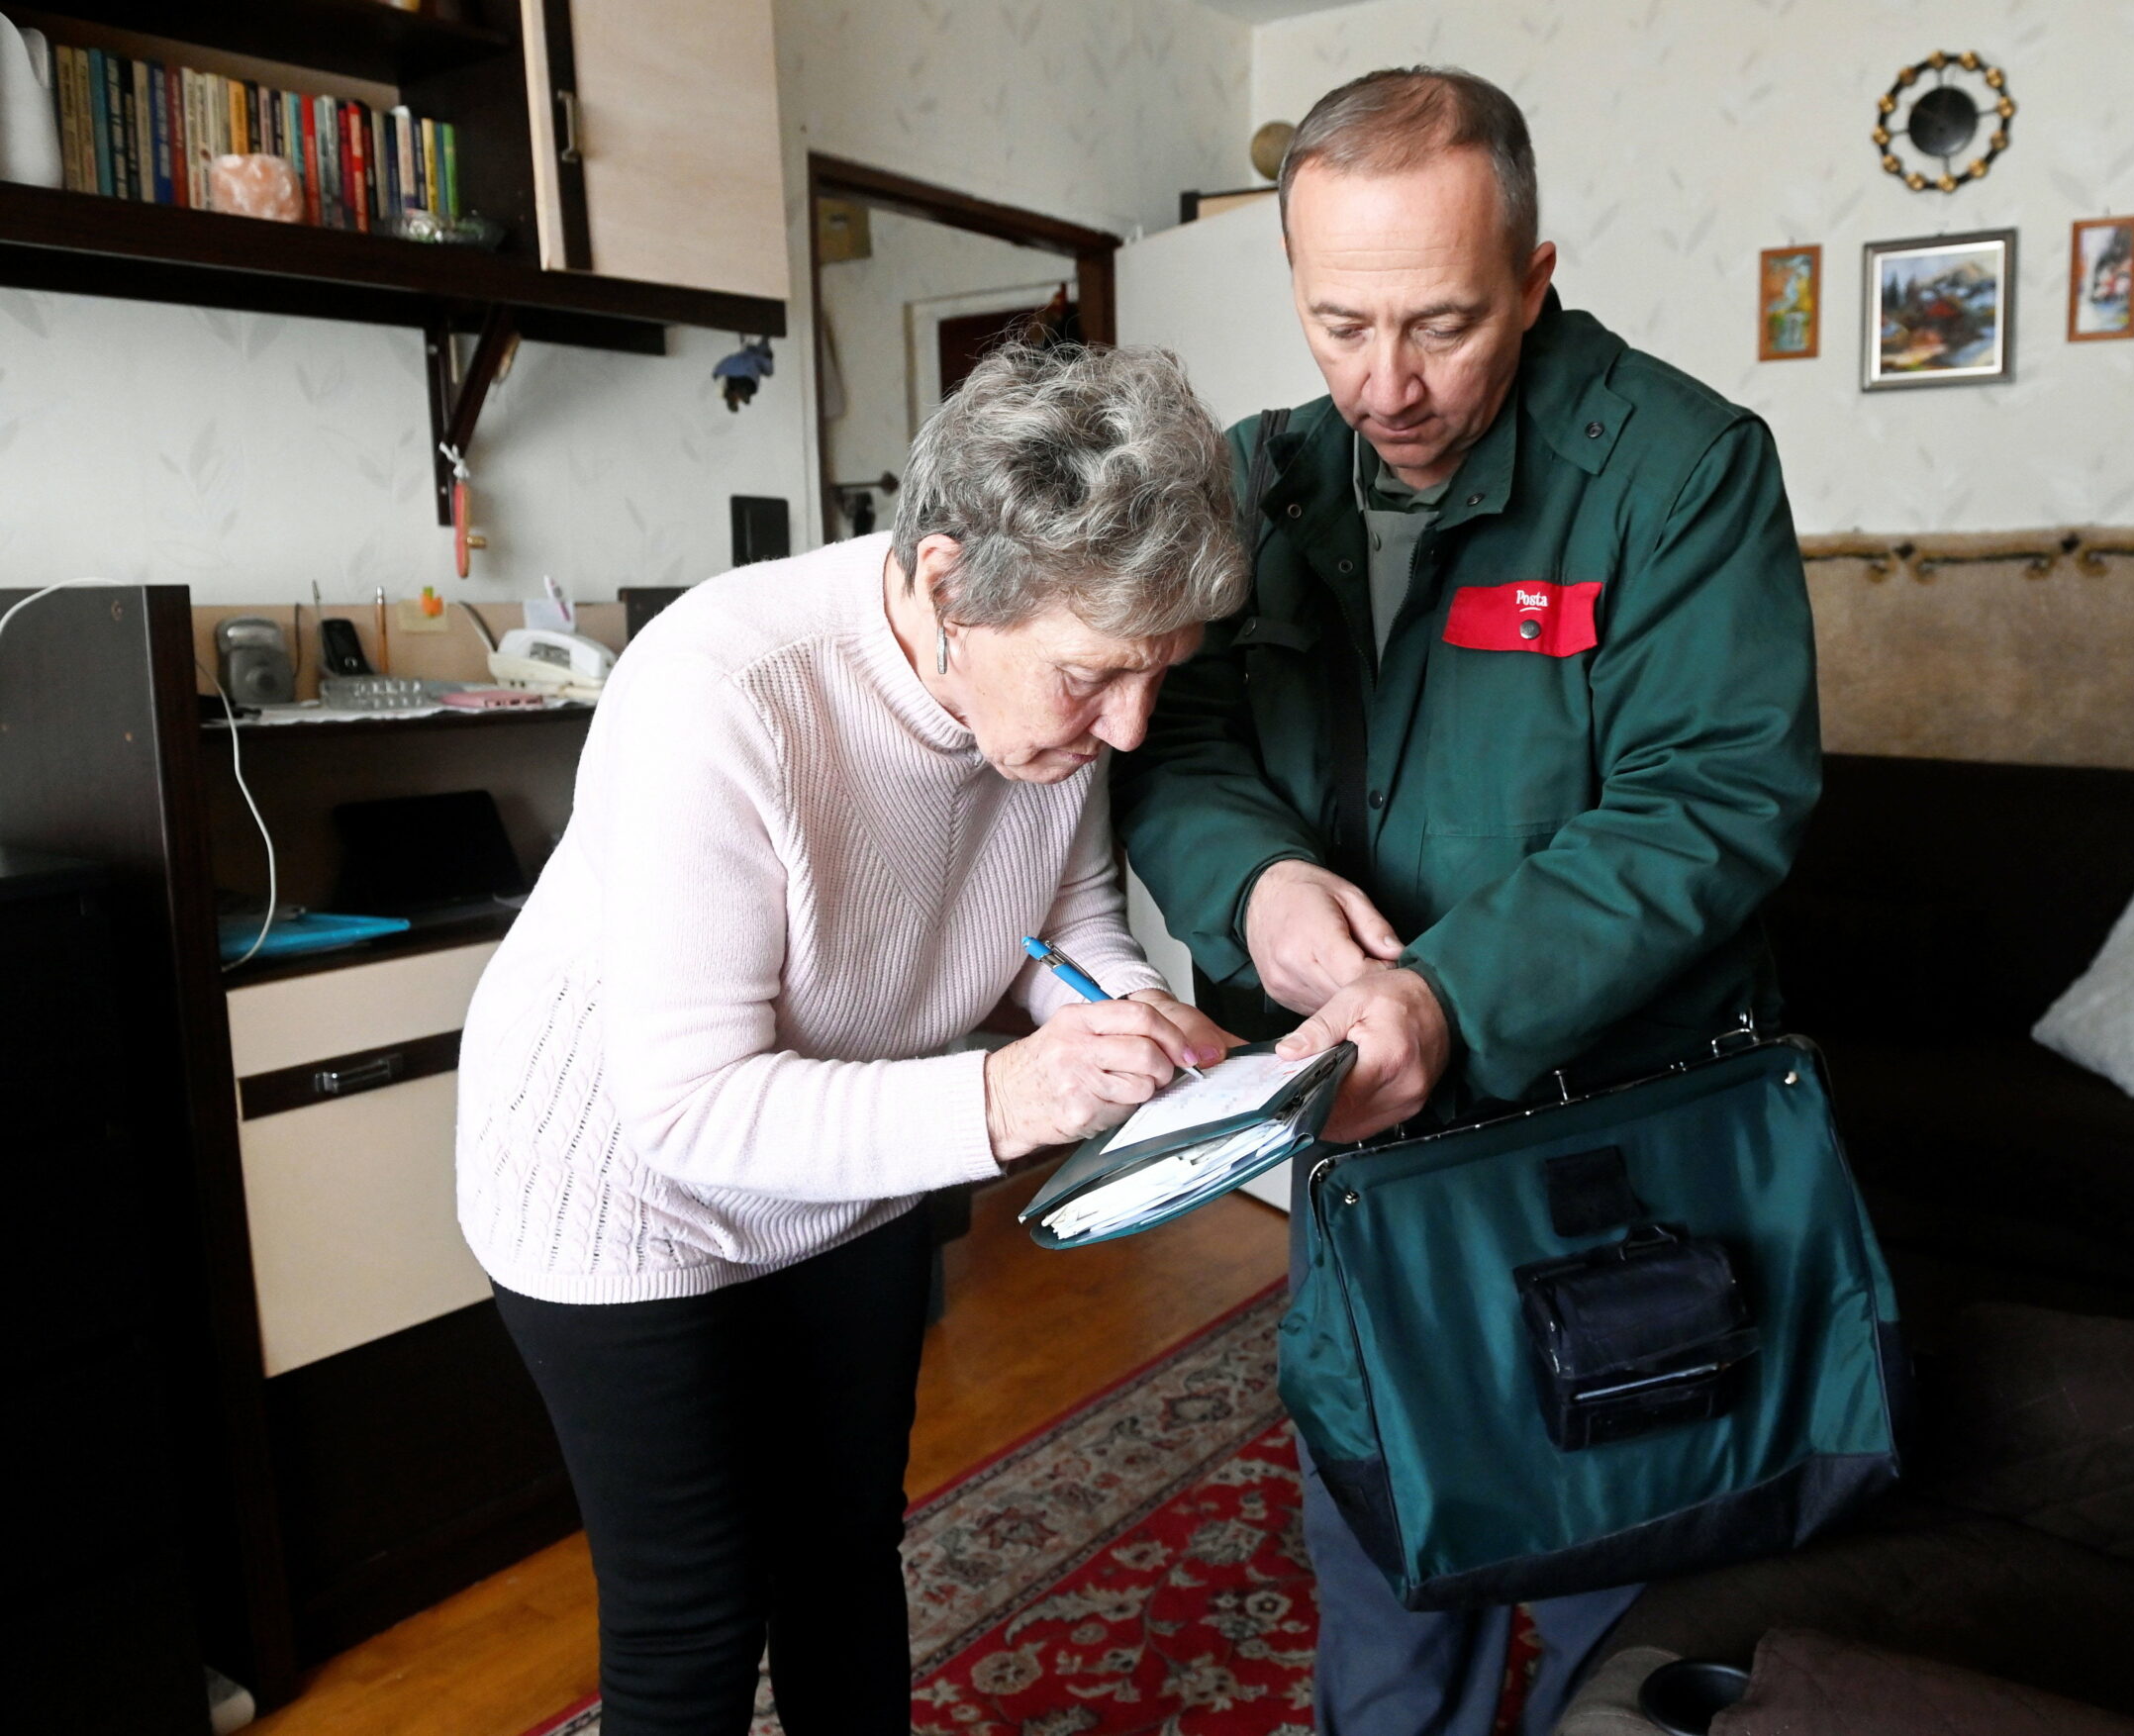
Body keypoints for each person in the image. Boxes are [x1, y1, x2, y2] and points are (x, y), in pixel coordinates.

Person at [1110, 67, 1821, 1736]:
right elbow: (1179, 741)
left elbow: (1717, 796)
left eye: (1442, 324)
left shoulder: (1681, 470)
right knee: (1385, 1550)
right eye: (1339, 323)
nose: (1387, 383)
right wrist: (1259, 882)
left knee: (1607, 1590)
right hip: (1364, 1150)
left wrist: (1450, 997)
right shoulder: (1250, 482)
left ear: (1536, 277)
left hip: (1614, 1141)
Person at [454, 343, 1245, 1736]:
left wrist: (1123, 1020)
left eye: (1160, 673)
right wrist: (1007, 1093)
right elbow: (690, 1109)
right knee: (695, 1620)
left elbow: (1056, 917)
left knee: (842, 1559)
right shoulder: (725, 688)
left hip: (858, 1136)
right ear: (948, 587)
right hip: (626, 1186)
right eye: (1092, 675)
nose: (1128, 723)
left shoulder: (1053, 711)